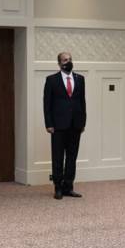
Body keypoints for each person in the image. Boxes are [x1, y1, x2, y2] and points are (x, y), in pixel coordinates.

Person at [43, 51, 86, 200]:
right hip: (58, 125)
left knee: (72, 157)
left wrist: (83, 122)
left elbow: (82, 101)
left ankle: (68, 187)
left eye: (70, 59)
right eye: (65, 60)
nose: (68, 62)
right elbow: (46, 104)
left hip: (75, 124)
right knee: (58, 157)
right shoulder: (51, 80)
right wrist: (49, 123)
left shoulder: (80, 79)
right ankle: (58, 188)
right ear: (59, 63)